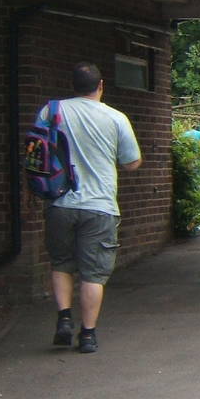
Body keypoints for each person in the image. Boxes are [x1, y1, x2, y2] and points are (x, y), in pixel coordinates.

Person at [41, 62, 142, 354]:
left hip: (59, 201)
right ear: (101, 86)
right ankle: (87, 335)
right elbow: (131, 161)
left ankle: (63, 318)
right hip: (100, 206)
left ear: (72, 86)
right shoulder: (115, 118)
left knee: (61, 263)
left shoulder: (52, 111)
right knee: (93, 274)